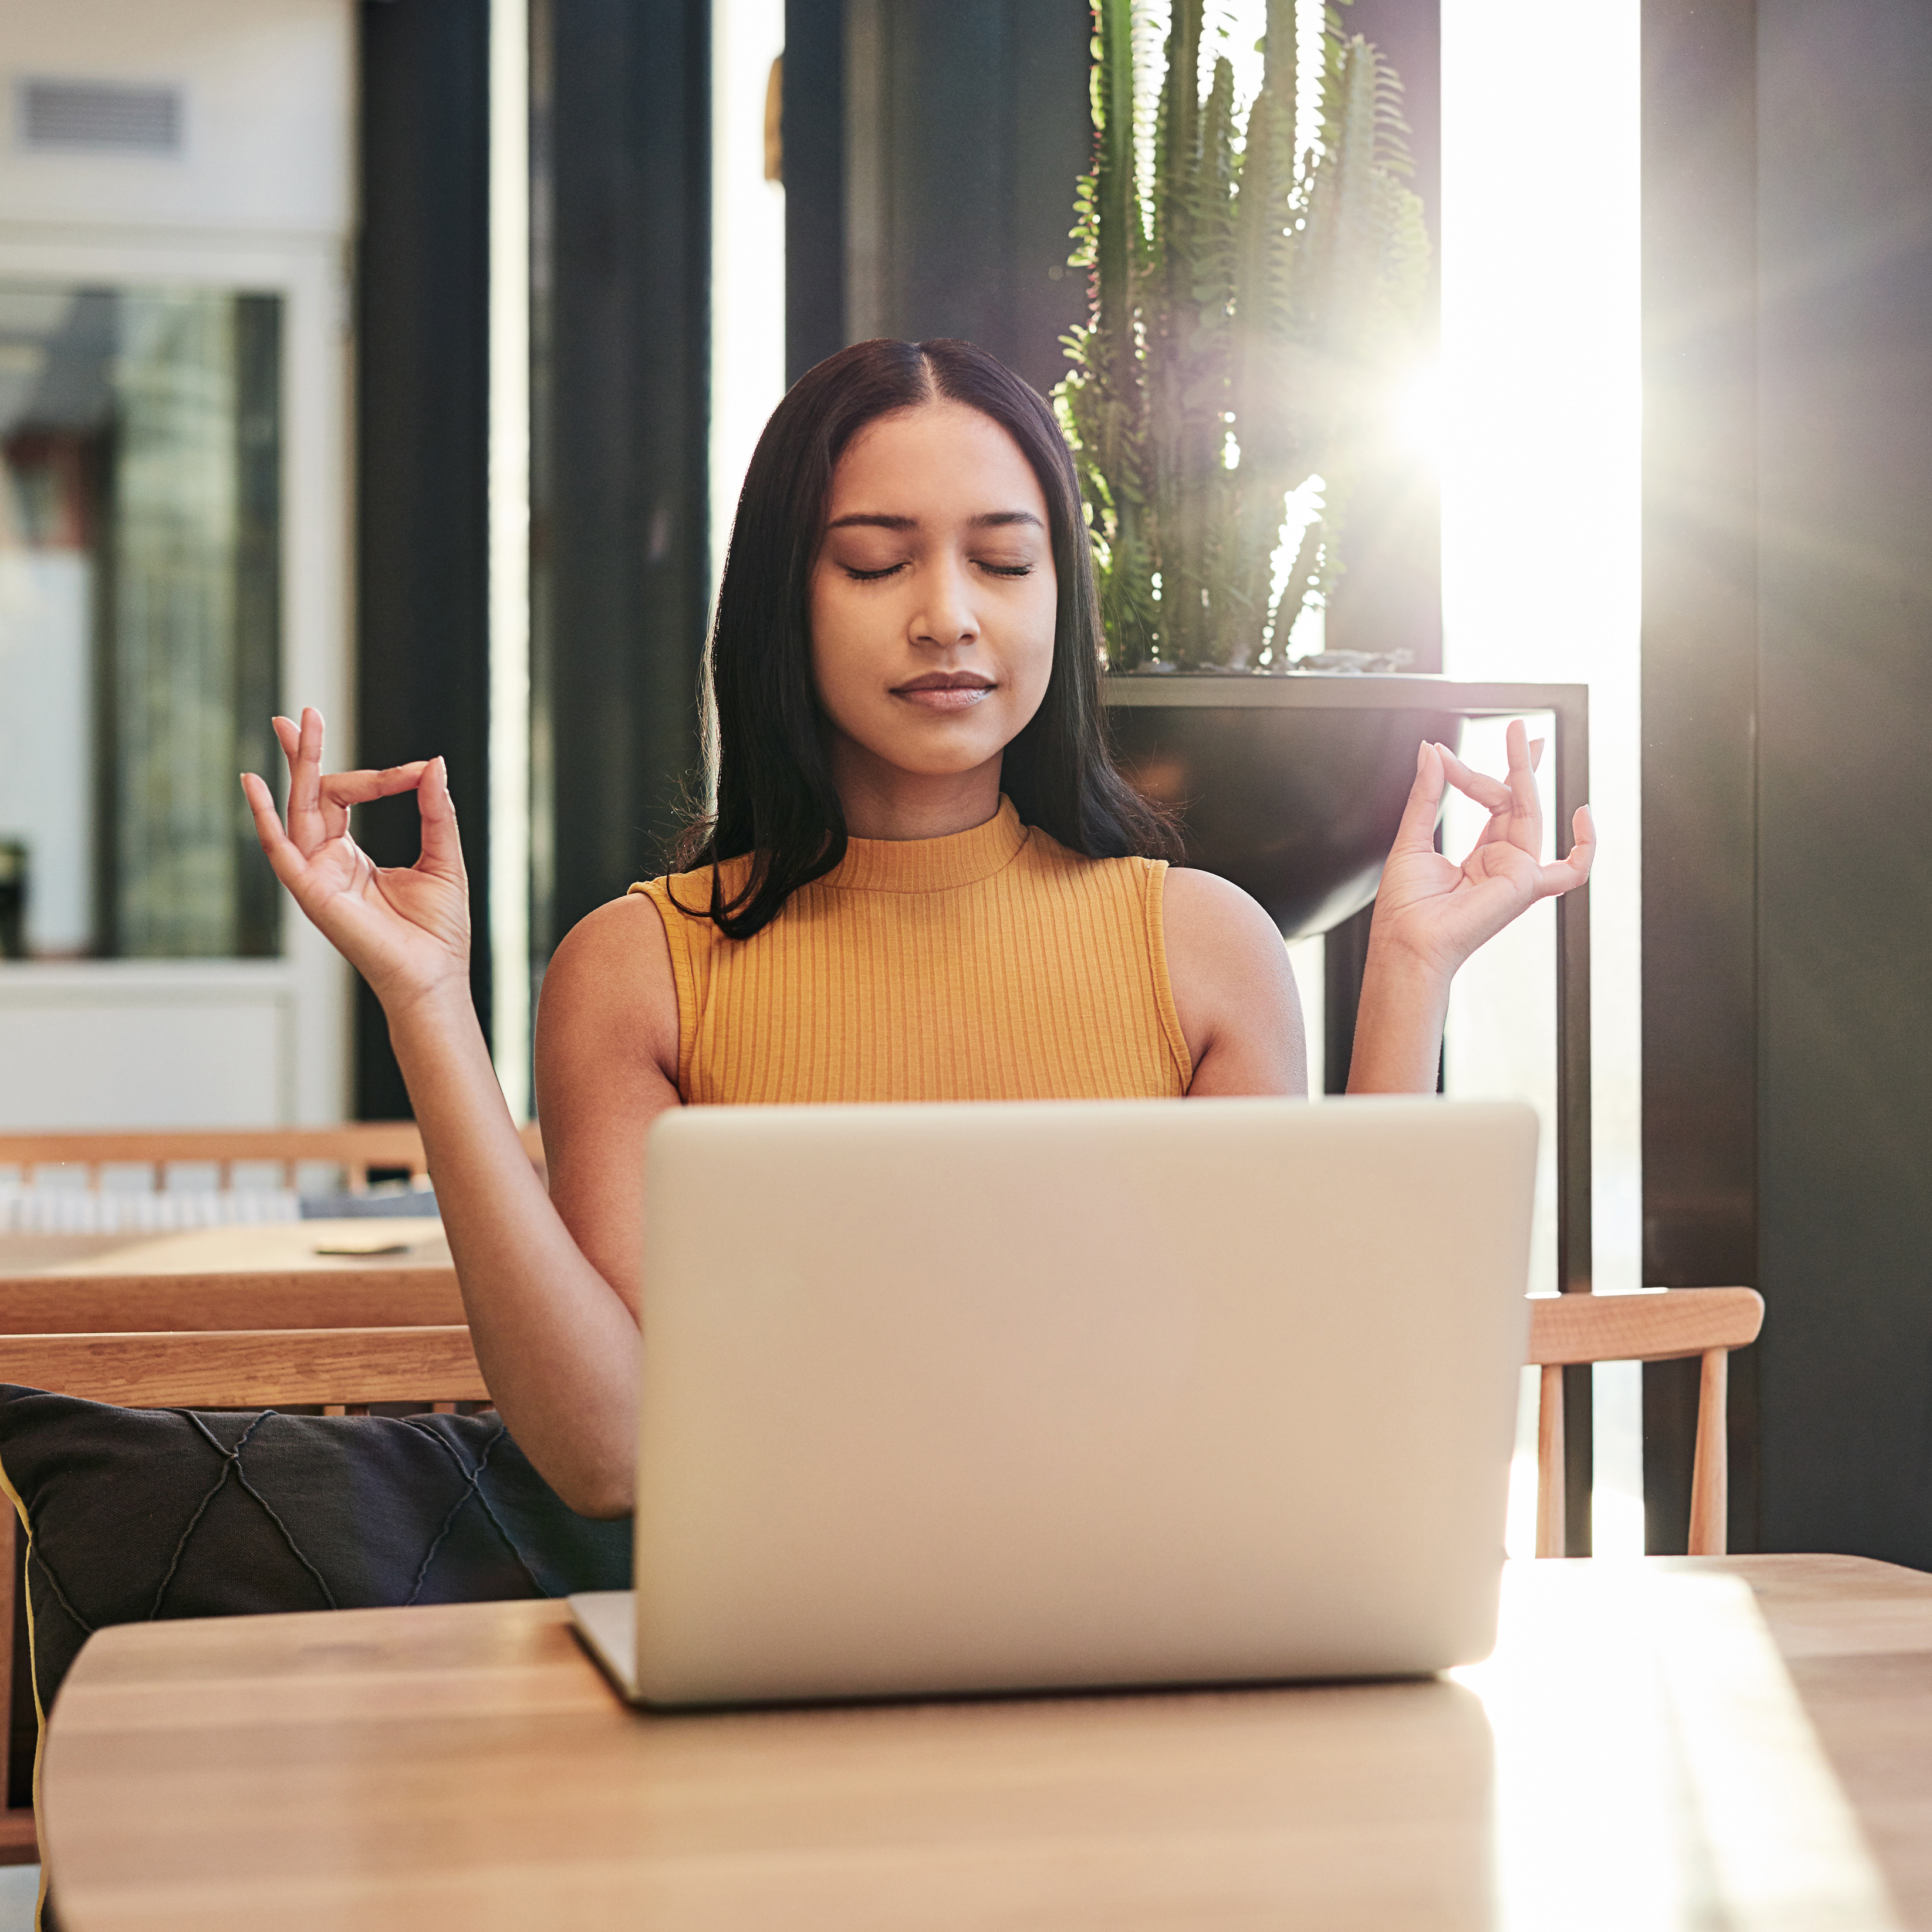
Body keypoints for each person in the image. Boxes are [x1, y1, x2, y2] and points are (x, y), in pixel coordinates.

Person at [242, 338, 1593, 1518]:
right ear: (785, 598)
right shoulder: (640, 967)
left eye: (1004, 560)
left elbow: (1308, 1398)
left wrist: (1408, 970)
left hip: (1153, 1656)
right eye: (876, 561)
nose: (947, 612)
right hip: (779, 1685)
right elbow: (611, 1456)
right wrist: (425, 1003)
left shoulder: (1201, 945)